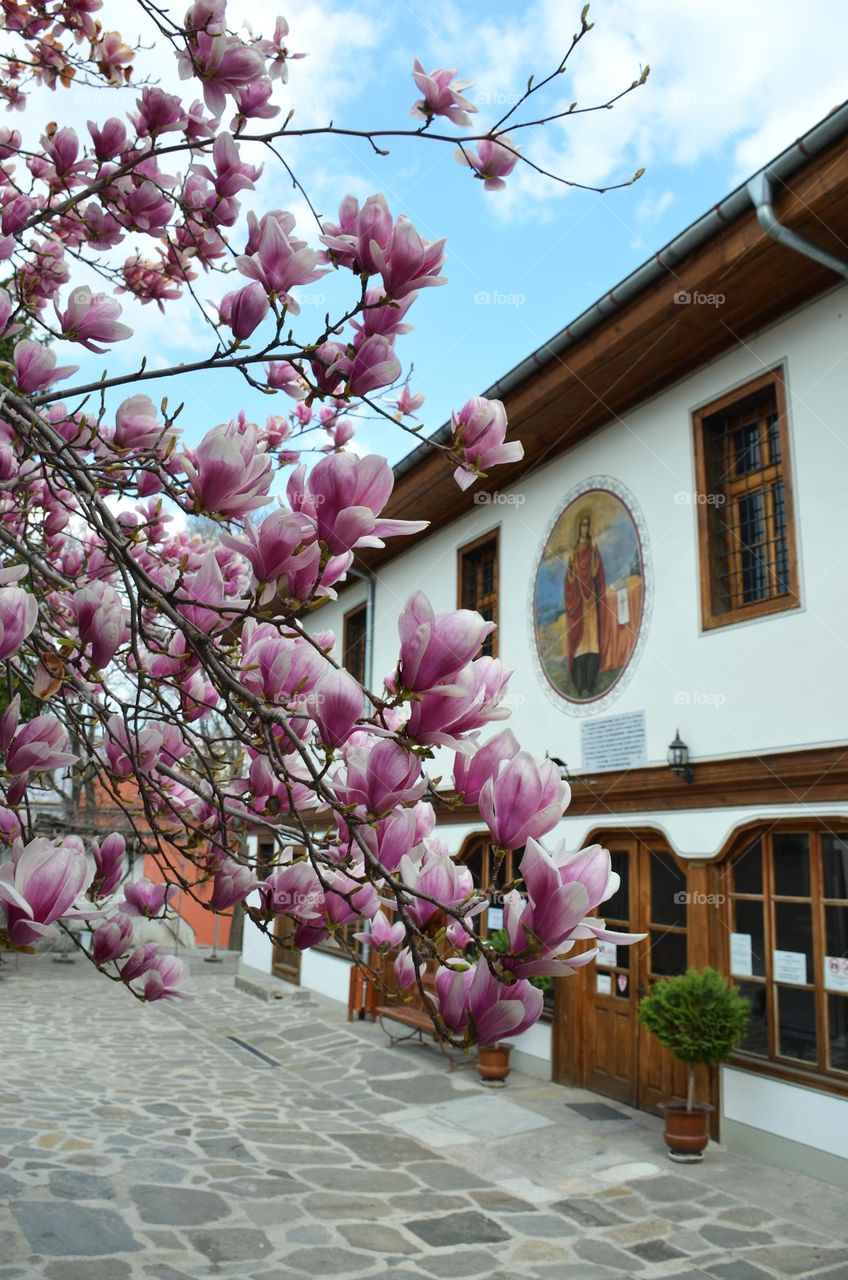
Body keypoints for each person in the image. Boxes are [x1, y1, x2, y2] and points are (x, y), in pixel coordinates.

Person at [563, 511, 607, 697]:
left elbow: (596, 573)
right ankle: (580, 685)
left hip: (591, 604)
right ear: (578, 528)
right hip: (579, 603)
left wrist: (595, 557)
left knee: (592, 642)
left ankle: (590, 683)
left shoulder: (593, 548)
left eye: (587, 525)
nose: (584, 528)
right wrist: (572, 573)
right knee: (581, 643)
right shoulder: (573, 554)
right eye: (582, 525)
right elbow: (570, 581)